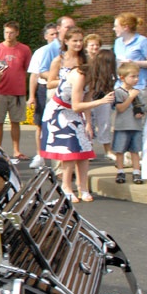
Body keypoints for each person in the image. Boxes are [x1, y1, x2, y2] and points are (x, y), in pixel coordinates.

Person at [39, 28, 115, 202]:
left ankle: (83, 187)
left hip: (75, 109)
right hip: (60, 110)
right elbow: (75, 102)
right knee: (71, 148)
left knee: (85, 146)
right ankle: (66, 186)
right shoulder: (73, 69)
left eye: (81, 41)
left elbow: (86, 96)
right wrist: (100, 101)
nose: (79, 44)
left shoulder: (88, 69)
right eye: (75, 40)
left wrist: (88, 122)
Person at [0, 21, 32, 160]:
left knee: (16, 122)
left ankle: (16, 150)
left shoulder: (24, 50)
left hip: (17, 91)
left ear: (17, 33)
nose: (8, 35)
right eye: (6, 32)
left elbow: (28, 69)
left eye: (11, 32)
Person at [27, 23, 58, 169]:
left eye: (56, 33)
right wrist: (31, 96)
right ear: (46, 36)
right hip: (42, 88)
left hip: (59, 88)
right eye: (51, 34)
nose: (54, 36)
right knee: (40, 124)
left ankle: (58, 156)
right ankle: (40, 155)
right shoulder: (40, 52)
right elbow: (34, 75)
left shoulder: (63, 50)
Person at [112, 61, 146, 185]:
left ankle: (136, 171)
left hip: (135, 125)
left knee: (135, 150)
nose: (136, 79)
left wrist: (140, 112)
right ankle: (120, 171)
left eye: (137, 76)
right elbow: (120, 108)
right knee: (120, 150)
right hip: (122, 126)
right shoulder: (119, 92)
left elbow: (141, 106)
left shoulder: (137, 92)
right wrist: (130, 97)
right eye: (133, 76)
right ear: (122, 77)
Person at [113, 12, 147, 103]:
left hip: (139, 86)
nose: (114, 29)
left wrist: (134, 63)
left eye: (116, 26)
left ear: (125, 27)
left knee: (138, 115)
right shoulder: (118, 42)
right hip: (121, 85)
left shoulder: (142, 41)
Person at [88, 49, 118, 160]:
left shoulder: (111, 75)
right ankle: (89, 148)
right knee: (90, 124)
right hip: (92, 99)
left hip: (104, 100)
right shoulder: (92, 72)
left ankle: (107, 150)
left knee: (105, 124)